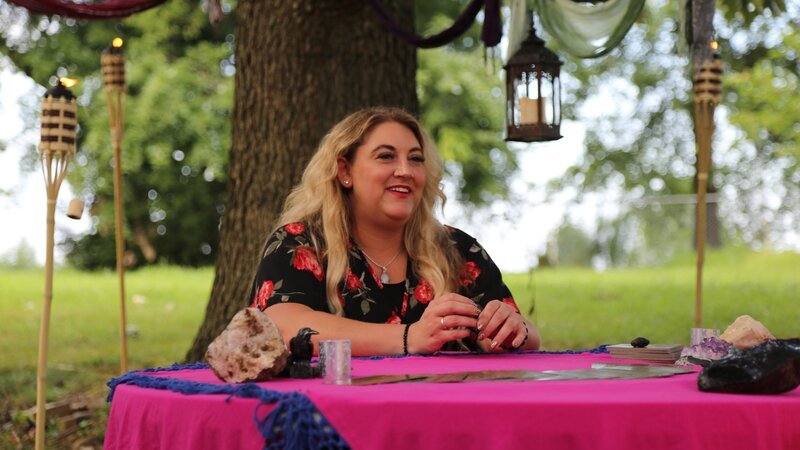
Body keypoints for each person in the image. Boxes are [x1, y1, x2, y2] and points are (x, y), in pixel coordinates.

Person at [248, 107, 540, 356]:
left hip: (446, 417)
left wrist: (512, 330)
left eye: (415, 159)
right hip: (333, 416)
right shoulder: (300, 242)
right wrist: (410, 337)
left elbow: (529, 336)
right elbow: (282, 327)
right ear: (344, 171)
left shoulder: (457, 247)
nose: (405, 170)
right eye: (386, 156)